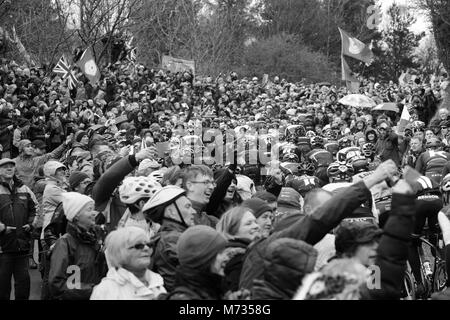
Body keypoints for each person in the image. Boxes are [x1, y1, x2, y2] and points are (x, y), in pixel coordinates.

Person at [48, 192, 105, 300]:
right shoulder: (65, 243)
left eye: (94, 209)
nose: (94, 213)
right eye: (89, 209)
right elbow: (57, 285)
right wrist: (94, 290)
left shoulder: (97, 238)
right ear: (76, 215)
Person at [142, 185, 196, 292]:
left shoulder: (165, 237)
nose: (193, 211)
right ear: (171, 212)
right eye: (187, 206)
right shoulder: (172, 239)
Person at [90, 226, 166, 300]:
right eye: (138, 246)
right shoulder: (106, 290)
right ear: (119, 252)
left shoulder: (157, 281)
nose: (146, 248)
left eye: (149, 245)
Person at [0, 158, 38, 300]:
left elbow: (35, 209)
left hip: (21, 246)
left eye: (11, 166)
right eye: (5, 167)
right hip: (2, 248)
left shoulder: (24, 188)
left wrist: (31, 224)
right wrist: (2, 228)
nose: (9, 168)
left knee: (23, 285)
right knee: (2, 286)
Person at [166, 225, 230, 300]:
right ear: (203, 259)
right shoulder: (185, 298)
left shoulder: (213, 289)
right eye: (220, 253)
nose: (226, 258)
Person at [216, 206, 262, 293]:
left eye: (255, 222)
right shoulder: (238, 258)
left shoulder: (246, 251)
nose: (256, 226)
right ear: (233, 230)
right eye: (248, 223)